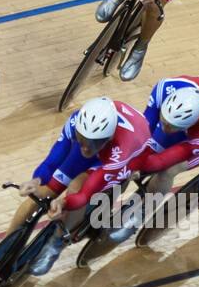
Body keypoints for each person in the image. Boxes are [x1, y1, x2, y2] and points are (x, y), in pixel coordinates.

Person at [16, 96, 152, 274]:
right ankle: (1, 253)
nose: (86, 148)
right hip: (104, 145)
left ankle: (56, 243)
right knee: (40, 194)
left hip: (129, 157)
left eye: (93, 142)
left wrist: (64, 203)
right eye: (82, 140)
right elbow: (52, 162)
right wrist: (36, 181)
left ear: (109, 137)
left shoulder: (121, 149)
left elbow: (84, 194)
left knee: (77, 187)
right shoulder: (75, 122)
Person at [106, 76, 199, 241]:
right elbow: (143, 133)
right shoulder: (163, 88)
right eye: (164, 121)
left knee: (168, 170)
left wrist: (138, 167)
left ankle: (145, 208)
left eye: (173, 127)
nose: (166, 128)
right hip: (196, 107)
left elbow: (163, 161)